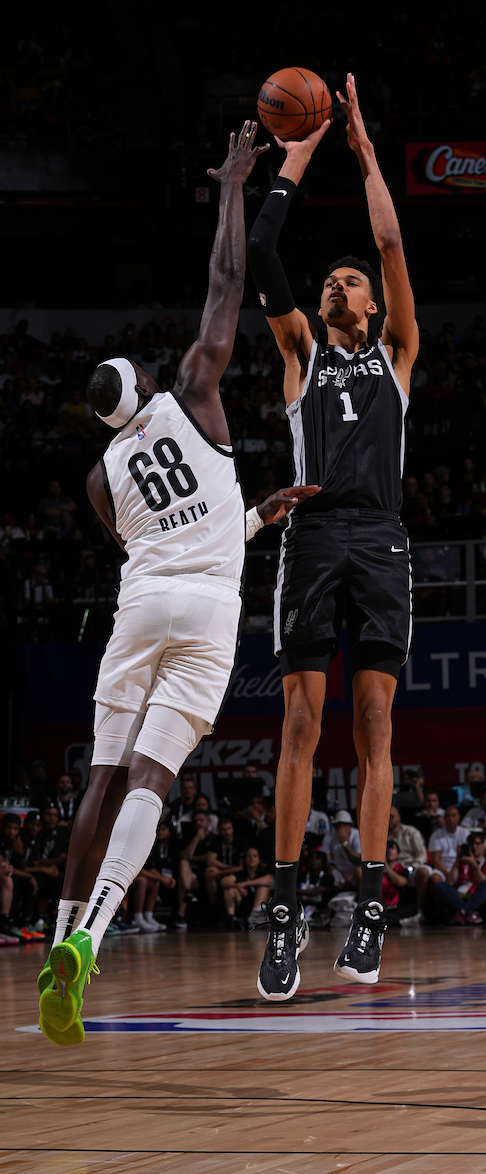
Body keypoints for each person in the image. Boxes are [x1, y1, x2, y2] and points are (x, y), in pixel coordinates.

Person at [37, 122, 272, 1045]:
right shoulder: (196, 389)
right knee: (153, 779)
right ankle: (94, 928)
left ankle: (62, 941)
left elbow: (146, 541)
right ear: (144, 385)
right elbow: (226, 284)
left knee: (100, 775)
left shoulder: (100, 478)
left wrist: (245, 520)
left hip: (141, 604)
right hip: (210, 612)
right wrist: (233, 185)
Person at [248, 74, 419, 997]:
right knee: (302, 723)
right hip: (313, 536)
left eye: (347, 278)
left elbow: (389, 238)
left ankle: (369, 905)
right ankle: (283, 918)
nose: (335, 283)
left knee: (376, 722)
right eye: (330, 280)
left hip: (381, 539)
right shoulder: (300, 355)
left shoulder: (396, 357)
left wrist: (360, 149)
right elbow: (265, 247)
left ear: (372, 301)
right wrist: (298, 155)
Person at [434, 830, 486, 925]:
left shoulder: (484, 863)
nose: (474, 847)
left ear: (483, 845)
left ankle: (463, 911)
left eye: (478, 844)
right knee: (440, 885)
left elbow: (483, 882)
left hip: (477, 898)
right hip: (459, 897)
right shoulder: (462, 862)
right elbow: (450, 882)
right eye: (471, 844)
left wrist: (473, 864)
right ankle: (469, 912)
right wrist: (458, 859)